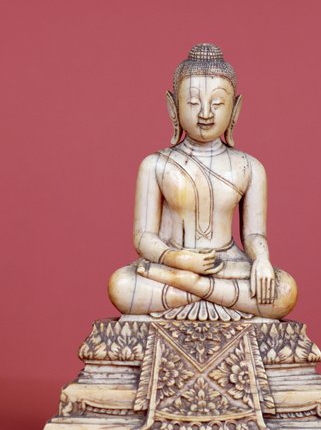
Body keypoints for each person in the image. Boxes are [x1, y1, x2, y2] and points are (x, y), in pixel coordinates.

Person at [108, 43, 297, 319]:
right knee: (121, 285)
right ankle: (206, 290)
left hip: (225, 265)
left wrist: (261, 260)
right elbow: (143, 237)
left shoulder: (249, 167)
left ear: (235, 110)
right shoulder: (156, 165)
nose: (205, 113)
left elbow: (253, 235)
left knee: (285, 290)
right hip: (174, 263)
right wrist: (179, 259)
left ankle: (192, 287)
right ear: (173, 107)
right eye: (193, 102)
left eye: (217, 103)